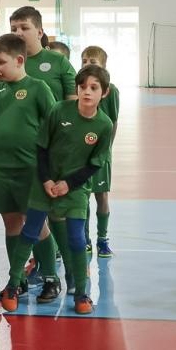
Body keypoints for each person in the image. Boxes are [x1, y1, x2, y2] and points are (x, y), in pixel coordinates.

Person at [3, 64, 115, 314]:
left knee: (76, 239)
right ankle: (12, 284)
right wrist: (46, 181)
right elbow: (41, 148)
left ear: (103, 93)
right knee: (30, 231)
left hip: (75, 190)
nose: (87, 92)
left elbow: (95, 164)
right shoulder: (59, 110)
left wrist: (68, 184)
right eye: (82, 86)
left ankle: (82, 293)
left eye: (93, 88)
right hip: (44, 184)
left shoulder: (104, 125)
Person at [0, 34, 58, 310]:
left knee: (37, 225)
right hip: (1, 168)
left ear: (19, 60)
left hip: (31, 169)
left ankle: (49, 276)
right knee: (12, 224)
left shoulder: (38, 87)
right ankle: (17, 277)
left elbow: (54, 127)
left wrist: (52, 169)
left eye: (1, 62)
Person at [79, 45, 119, 258]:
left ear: (103, 65)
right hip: (80, 154)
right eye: (84, 61)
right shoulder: (79, 88)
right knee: (82, 197)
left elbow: (113, 121)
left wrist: (106, 149)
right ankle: (84, 239)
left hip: (100, 154)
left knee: (101, 196)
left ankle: (102, 239)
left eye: (92, 62)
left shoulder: (111, 91)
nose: (87, 64)